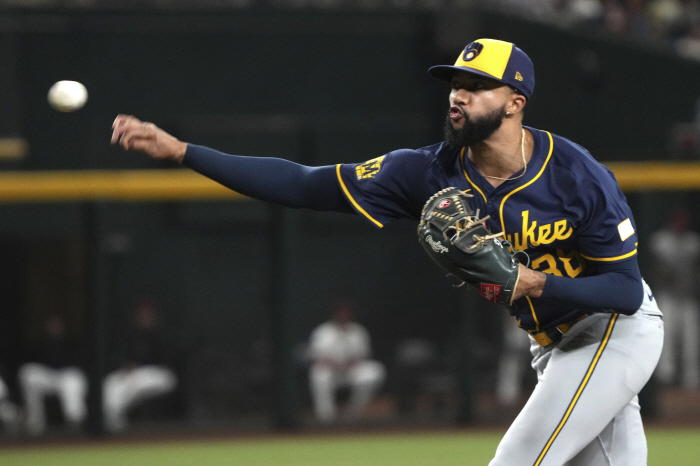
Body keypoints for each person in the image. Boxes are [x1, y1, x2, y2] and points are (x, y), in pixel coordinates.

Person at [111, 38, 664, 464]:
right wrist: (182, 150)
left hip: (615, 330)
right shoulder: (423, 172)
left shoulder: (576, 174)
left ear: (515, 102)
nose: (458, 93)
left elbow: (622, 291)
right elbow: (303, 184)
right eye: (454, 82)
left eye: (476, 84)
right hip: (551, 346)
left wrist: (534, 283)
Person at [103, 297, 177, 432]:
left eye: (148, 315)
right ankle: (112, 420)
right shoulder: (132, 335)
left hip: (162, 376)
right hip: (138, 374)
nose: (145, 318)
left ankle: (117, 424)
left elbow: (167, 360)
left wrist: (138, 367)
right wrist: (127, 365)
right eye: (142, 315)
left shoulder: (162, 335)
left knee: (133, 383)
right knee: (110, 382)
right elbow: (123, 357)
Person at [307, 300, 386, 423]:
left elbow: (363, 355)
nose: (343, 315)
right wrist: (332, 364)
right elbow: (315, 356)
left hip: (350, 371)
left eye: (345, 312)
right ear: (334, 314)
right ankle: (326, 418)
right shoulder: (322, 331)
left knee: (375, 371)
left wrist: (351, 364)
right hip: (330, 371)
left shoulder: (358, 331)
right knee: (318, 374)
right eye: (340, 312)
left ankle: (353, 414)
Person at [650, 208, 700, 390]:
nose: (680, 224)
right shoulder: (660, 240)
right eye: (677, 220)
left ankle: (691, 377)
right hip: (667, 295)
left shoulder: (693, 241)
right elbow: (654, 267)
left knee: (691, 340)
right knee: (666, 336)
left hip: (688, 296)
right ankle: (666, 377)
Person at [18, 314, 88, 435]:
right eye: (51, 325)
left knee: (73, 380)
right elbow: (31, 362)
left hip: (66, 376)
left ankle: (76, 422)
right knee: (28, 373)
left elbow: (80, 364)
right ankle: (35, 423)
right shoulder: (40, 343)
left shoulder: (71, 342)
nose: (54, 327)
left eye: (57, 325)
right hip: (47, 377)